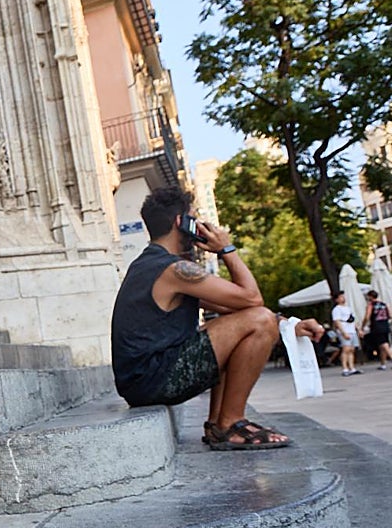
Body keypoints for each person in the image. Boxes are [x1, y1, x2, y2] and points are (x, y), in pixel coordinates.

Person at [111, 186, 324, 451]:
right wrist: (226, 249)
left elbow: (236, 310)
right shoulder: (174, 269)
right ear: (181, 222)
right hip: (153, 381)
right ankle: (230, 423)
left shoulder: (151, 265)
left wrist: (290, 325)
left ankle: (216, 424)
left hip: (144, 381)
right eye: (194, 219)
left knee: (254, 320)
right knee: (259, 318)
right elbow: (252, 300)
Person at [331, 291, 362, 375]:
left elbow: (353, 320)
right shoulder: (337, 309)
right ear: (336, 299)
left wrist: (358, 329)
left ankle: (352, 367)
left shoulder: (348, 308)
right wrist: (343, 332)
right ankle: (345, 368)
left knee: (352, 349)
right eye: (340, 297)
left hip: (352, 330)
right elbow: (337, 321)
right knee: (346, 349)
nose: (343, 298)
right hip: (345, 330)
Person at [362, 289, 391, 370]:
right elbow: (390, 315)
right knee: (382, 345)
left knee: (384, 344)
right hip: (385, 325)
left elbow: (367, 317)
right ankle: (383, 364)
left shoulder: (371, 305)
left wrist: (363, 326)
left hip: (377, 327)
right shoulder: (383, 304)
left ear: (370, 297)